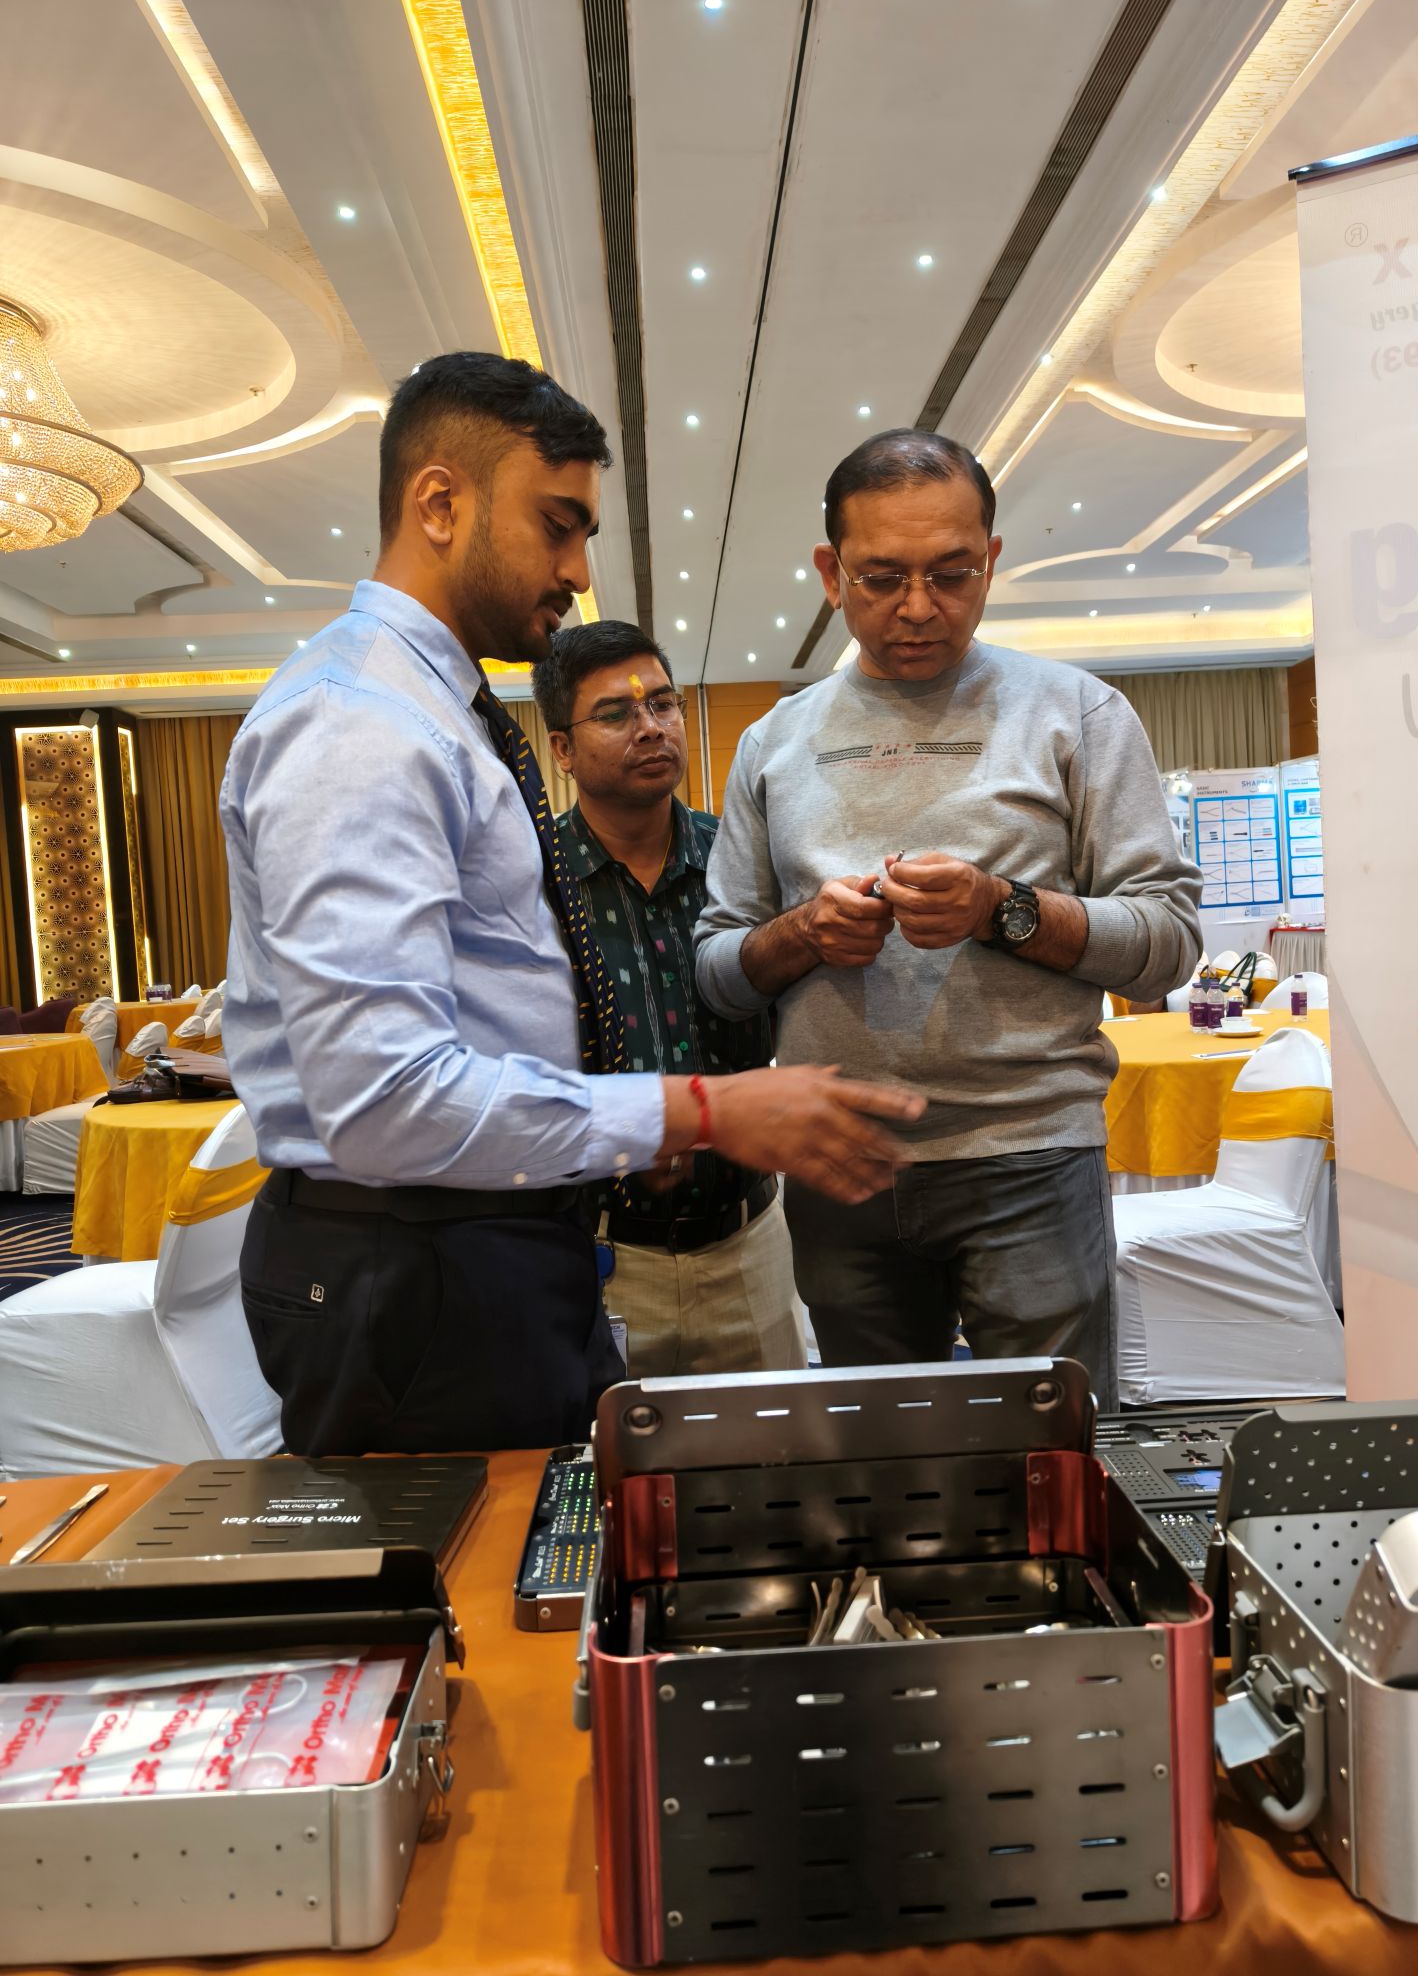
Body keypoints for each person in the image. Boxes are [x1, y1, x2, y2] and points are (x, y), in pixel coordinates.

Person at [219, 355, 922, 1456]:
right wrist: (698, 1109)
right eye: (557, 525)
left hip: (476, 1242)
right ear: (440, 504)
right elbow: (384, 1097)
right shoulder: (360, 724)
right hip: (417, 1263)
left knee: (557, 1538)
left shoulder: (430, 708)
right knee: (480, 1561)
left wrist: (624, 1127)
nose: (578, 573)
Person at [694, 428, 1202, 1406]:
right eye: (883, 578)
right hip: (839, 1158)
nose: (920, 607)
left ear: (992, 560)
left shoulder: (1079, 715)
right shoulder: (772, 742)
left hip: (1030, 1154)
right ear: (830, 573)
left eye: (953, 573)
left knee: (1051, 1449)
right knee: (882, 1452)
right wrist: (802, 934)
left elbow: (1169, 944)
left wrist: (1001, 908)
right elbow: (718, 969)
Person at [533, 620, 806, 1376]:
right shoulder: (530, 883)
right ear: (562, 749)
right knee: (610, 1455)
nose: (651, 727)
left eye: (662, 703)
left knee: (775, 1448)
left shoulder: (741, 864)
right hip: (598, 1259)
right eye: (616, 713)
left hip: (749, 1245)